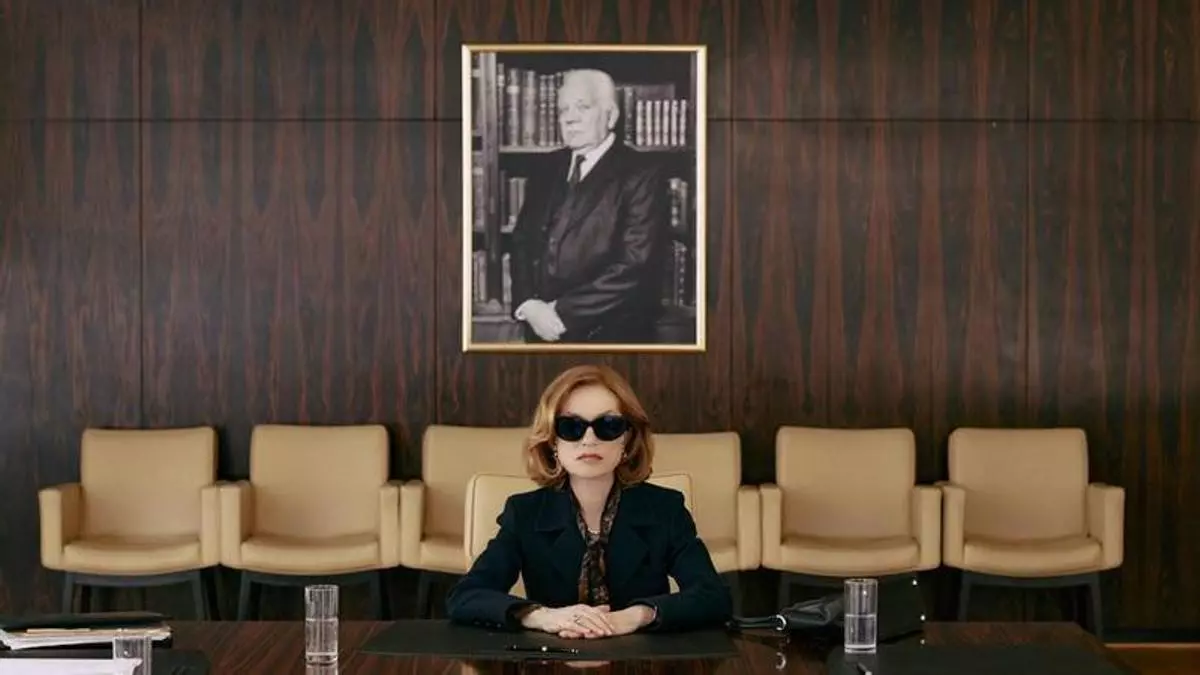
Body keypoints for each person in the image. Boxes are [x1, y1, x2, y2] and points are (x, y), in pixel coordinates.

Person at [445, 365, 732, 637]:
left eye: (608, 425)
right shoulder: (525, 513)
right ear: (552, 441)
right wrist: (542, 617)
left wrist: (636, 616)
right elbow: (466, 596)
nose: (589, 439)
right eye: (571, 427)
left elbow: (713, 596)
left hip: (643, 658)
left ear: (627, 439)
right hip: (552, 657)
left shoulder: (665, 509)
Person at [509, 68, 671, 345]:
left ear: (611, 115)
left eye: (582, 107)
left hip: (609, 336)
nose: (569, 118)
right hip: (538, 330)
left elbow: (635, 265)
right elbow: (522, 241)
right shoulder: (546, 166)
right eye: (563, 109)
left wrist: (560, 313)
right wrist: (528, 305)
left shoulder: (643, 173)